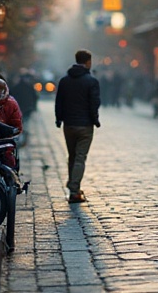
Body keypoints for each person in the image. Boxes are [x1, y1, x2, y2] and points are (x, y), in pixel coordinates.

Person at [54, 49, 101, 204]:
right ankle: (74, 189)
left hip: (69, 125)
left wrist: (59, 119)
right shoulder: (91, 81)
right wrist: (95, 120)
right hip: (85, 125)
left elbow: (59, 101)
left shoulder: (64, 80)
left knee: (72, 156)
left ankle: (73, 186)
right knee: (80, 157)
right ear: (88, 62)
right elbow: (94, 103)